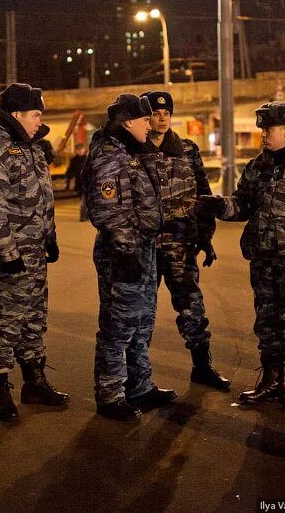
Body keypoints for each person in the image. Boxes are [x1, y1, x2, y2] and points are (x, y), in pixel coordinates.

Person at [198, 101, 285, 413]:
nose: (262, 135)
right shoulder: (259, 166)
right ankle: (272, 383)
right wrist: (219, 206)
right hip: (264, 262)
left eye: (267, 129)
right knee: (268, 328)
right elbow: (243, 205)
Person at [0, 83, 68, 422]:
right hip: (9, 255)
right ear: (17, 114)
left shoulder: (32, 149)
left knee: (34, 318)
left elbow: (42, 200)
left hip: (35, 251)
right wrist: (7, 254)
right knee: (5, 322)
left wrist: (49, 237)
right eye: (36, 114)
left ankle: (34, 381)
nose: (40, 121)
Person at [83, 93, 177, 421]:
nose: (150, 125)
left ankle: (140, 386)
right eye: (144, 120)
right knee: (118, 325)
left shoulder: (131, 149)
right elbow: (110, 210)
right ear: (127, 122)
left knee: (141, 322)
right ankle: (110, 393)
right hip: (122, 251)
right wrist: (125, 251)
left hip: (142, 248)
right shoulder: (109, 154)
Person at [142, 90, 229, 391]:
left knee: (192, 307)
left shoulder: (188, 150)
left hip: (180, 245)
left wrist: (205, 237)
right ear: (146, 116)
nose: (163, 117)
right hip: (146, 248)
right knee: (142, 312)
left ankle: (202, 367)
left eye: (167, 112)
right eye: (155, 112)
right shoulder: (134, 152)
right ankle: (138, 379)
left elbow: (203, 196)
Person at [64, 142, 89, 221]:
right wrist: (68, 180)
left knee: (84, 200)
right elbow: (70, 170)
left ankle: (83, 216)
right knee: (84, 200)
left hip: (88, 183)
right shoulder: (74, 160)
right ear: (76, 151)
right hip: (79, 184)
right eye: (78, 150)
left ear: (84, 150)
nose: (80, 151)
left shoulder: (89, 159)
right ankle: (86, 215)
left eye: (81, 149)